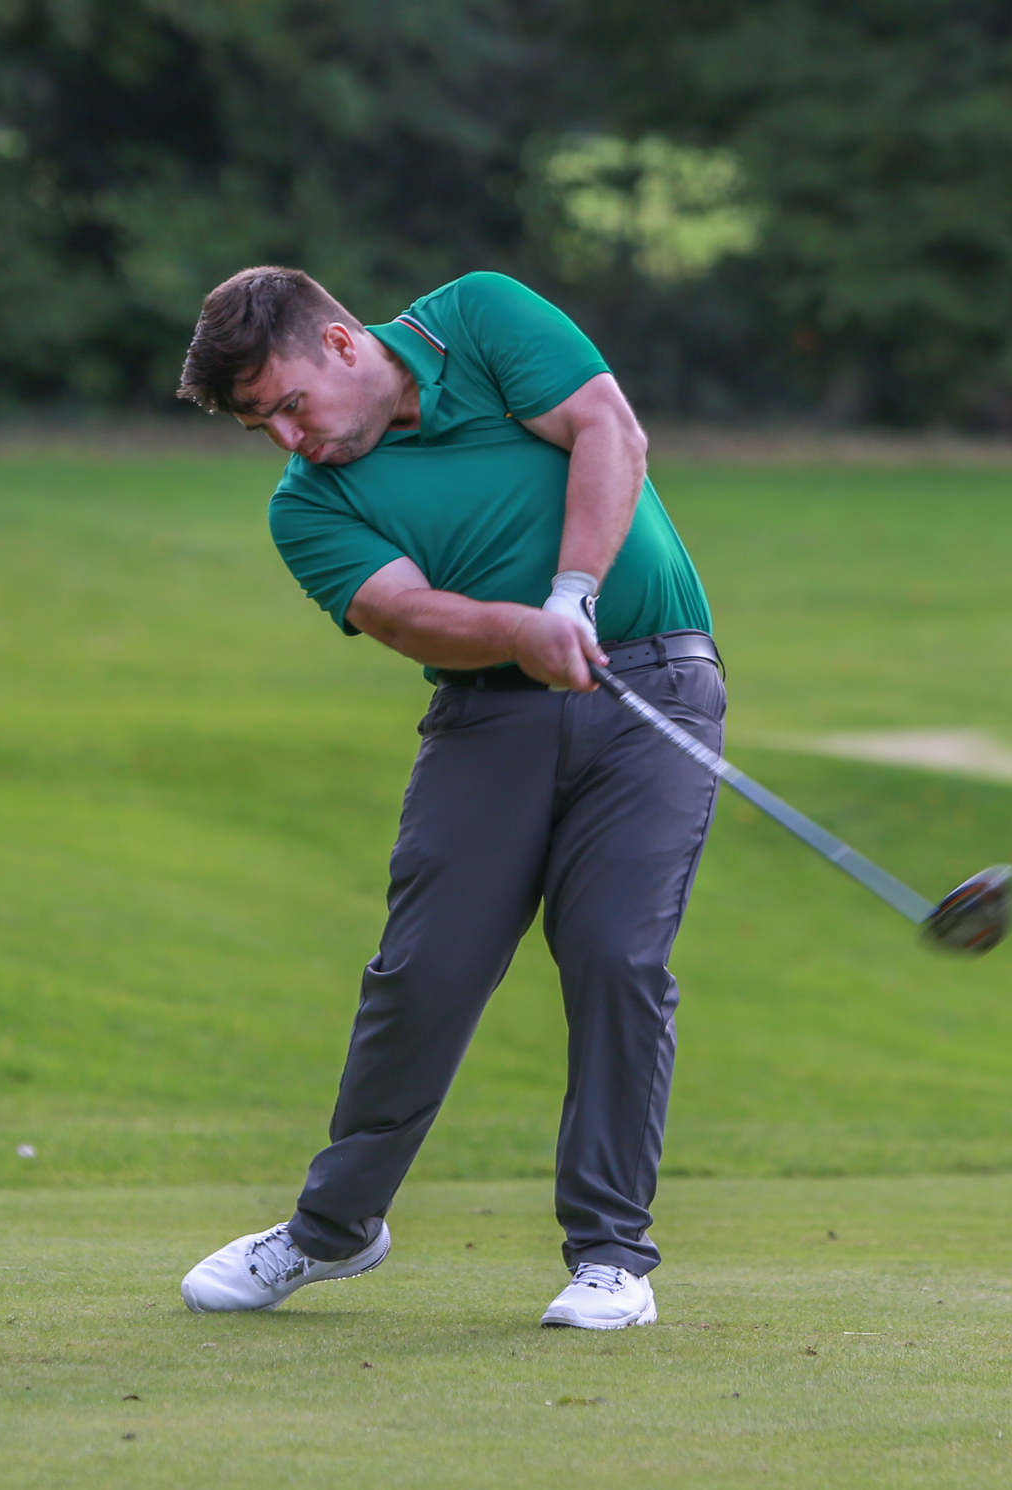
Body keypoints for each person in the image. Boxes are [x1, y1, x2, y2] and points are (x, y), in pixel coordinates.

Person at [169, 266, 722, 1330]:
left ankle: (612, 1256)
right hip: (489, 715)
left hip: (653, 679)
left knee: (617, 953)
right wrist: (523, 631)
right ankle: (334, 1230)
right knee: (424, 970)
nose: (289, 439)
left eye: (288, 404)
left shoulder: (481, 317)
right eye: (259, 426)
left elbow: (609, 430)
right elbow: (406, 614)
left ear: (339, 345)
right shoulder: (312, 505)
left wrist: (569, 595)